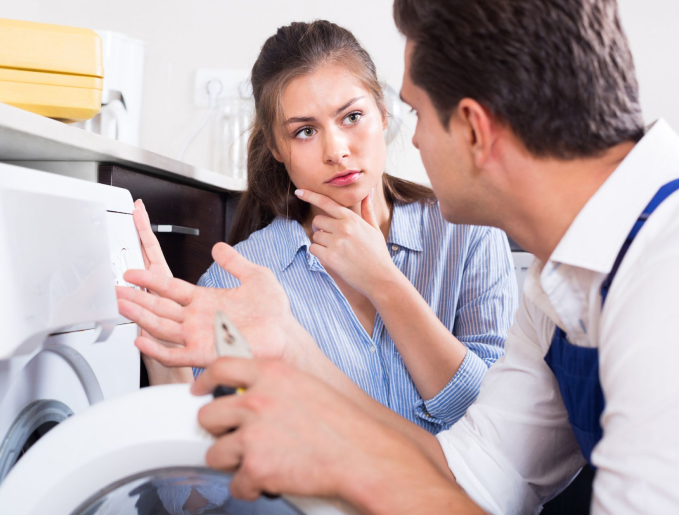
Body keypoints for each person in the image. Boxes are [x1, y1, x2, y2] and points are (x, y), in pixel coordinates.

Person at [117, 0, 679, 513]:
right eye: (307, 130)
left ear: (474, 132)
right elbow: (473, 474)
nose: (414, 143)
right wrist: (293, 349)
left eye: (413, 111)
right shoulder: (556, 287)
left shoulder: (663, 277)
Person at [126, 20, 517, 434]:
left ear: (383, 114)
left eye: (352, 116)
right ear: (277, 147)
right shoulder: (236, 279)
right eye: (306, 131)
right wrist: (168, 364)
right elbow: (193, 494)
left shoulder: (468, 231)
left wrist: (384, 281)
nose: (337, 151)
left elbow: (499, 429)